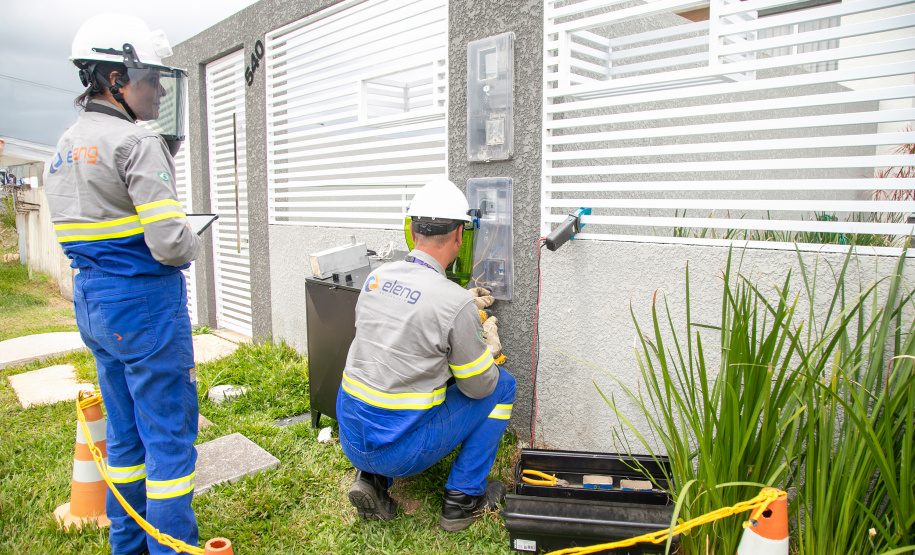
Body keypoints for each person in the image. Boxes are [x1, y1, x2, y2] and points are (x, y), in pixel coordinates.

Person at [44, 14, 200, 555]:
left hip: (94, 302)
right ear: (116, 79)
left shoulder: (65, 146)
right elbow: (171, 245)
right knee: (169, 440)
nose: (159, 90)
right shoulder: (137, 141)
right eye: (151, 78)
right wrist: (190, 237)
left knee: (125, 435)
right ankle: (171, 546)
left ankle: (127, 543)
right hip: (145, 304)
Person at [336, 179, 517, 532]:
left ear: (412, 231)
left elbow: (403, 334)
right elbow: (480, 389)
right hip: (399, 455)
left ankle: (371, 479)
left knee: (385, 384)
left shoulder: (376, 278)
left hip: (352, 439)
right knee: (502, 385)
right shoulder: (454, 302)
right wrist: (487, 354)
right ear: (460, 237)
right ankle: (463, 499)